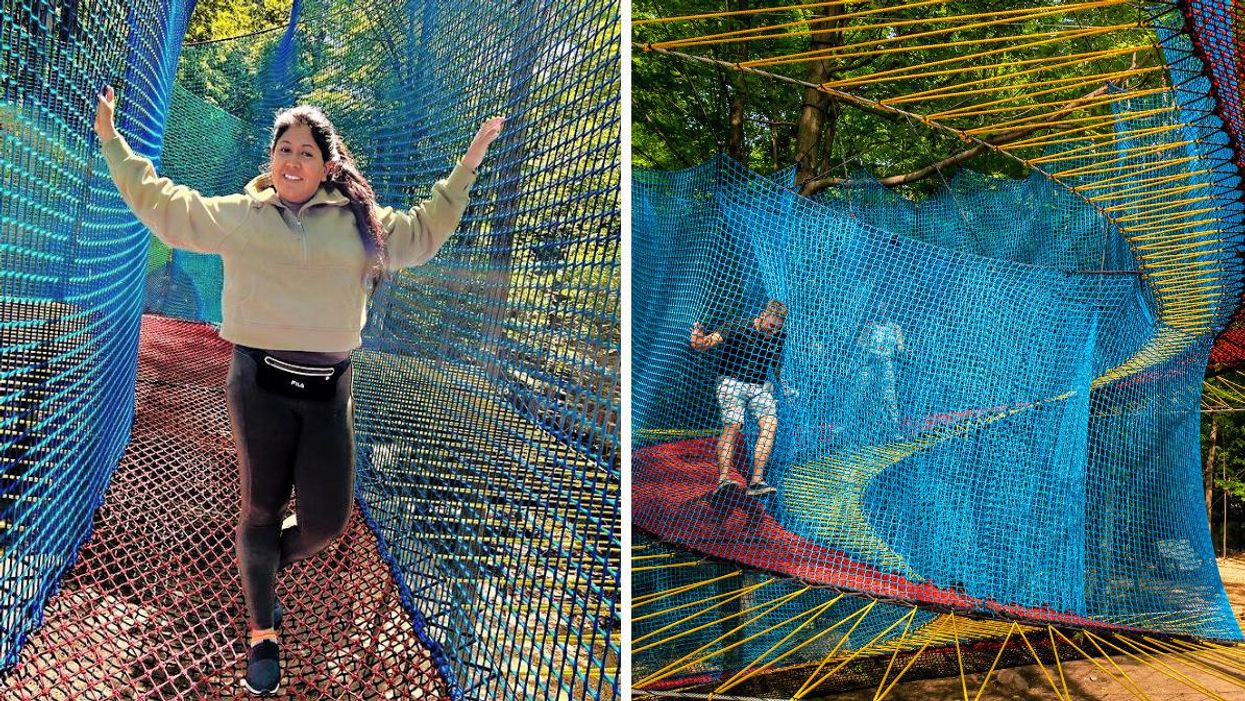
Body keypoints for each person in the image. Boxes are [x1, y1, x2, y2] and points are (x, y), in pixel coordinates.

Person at [94, 85, 504, 696]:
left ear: (327, 165)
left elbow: (421, 235)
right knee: (260, 510)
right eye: (283, 148)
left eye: (306, 152)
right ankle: (263, 628)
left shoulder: (361, 225)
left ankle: (257, 565)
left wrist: (465, 168)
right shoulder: (241, 215)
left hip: (329, 389)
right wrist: (112, 141)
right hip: (258, 384)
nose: (292, 160)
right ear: (272, 159)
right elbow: (164, 206)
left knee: (325, 522)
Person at [690, 300, 790, 497]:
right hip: (731, 383)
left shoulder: (779, 337)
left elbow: (776, 363)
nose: (773, 332)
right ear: (762, 316)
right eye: (771, 326)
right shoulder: (736, 327)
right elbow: (704, 344)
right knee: (733, 426)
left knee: (770, 424)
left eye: (777, 329)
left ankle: (756, 481)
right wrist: (697, 336)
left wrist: (782, 385)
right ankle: (724, 479)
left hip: (759, 387)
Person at [857, 317, 906, 437]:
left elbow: (900, 346)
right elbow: (860, 343)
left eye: (884, 307)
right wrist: (872, 348)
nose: (882, 310)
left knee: (889, 397)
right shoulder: (871, 325)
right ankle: (848, 425)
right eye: (879, 307)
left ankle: (894, 430)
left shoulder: (895, 328)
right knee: (859, 392)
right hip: (870, 363)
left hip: (886, 364)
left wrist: (900, 349)